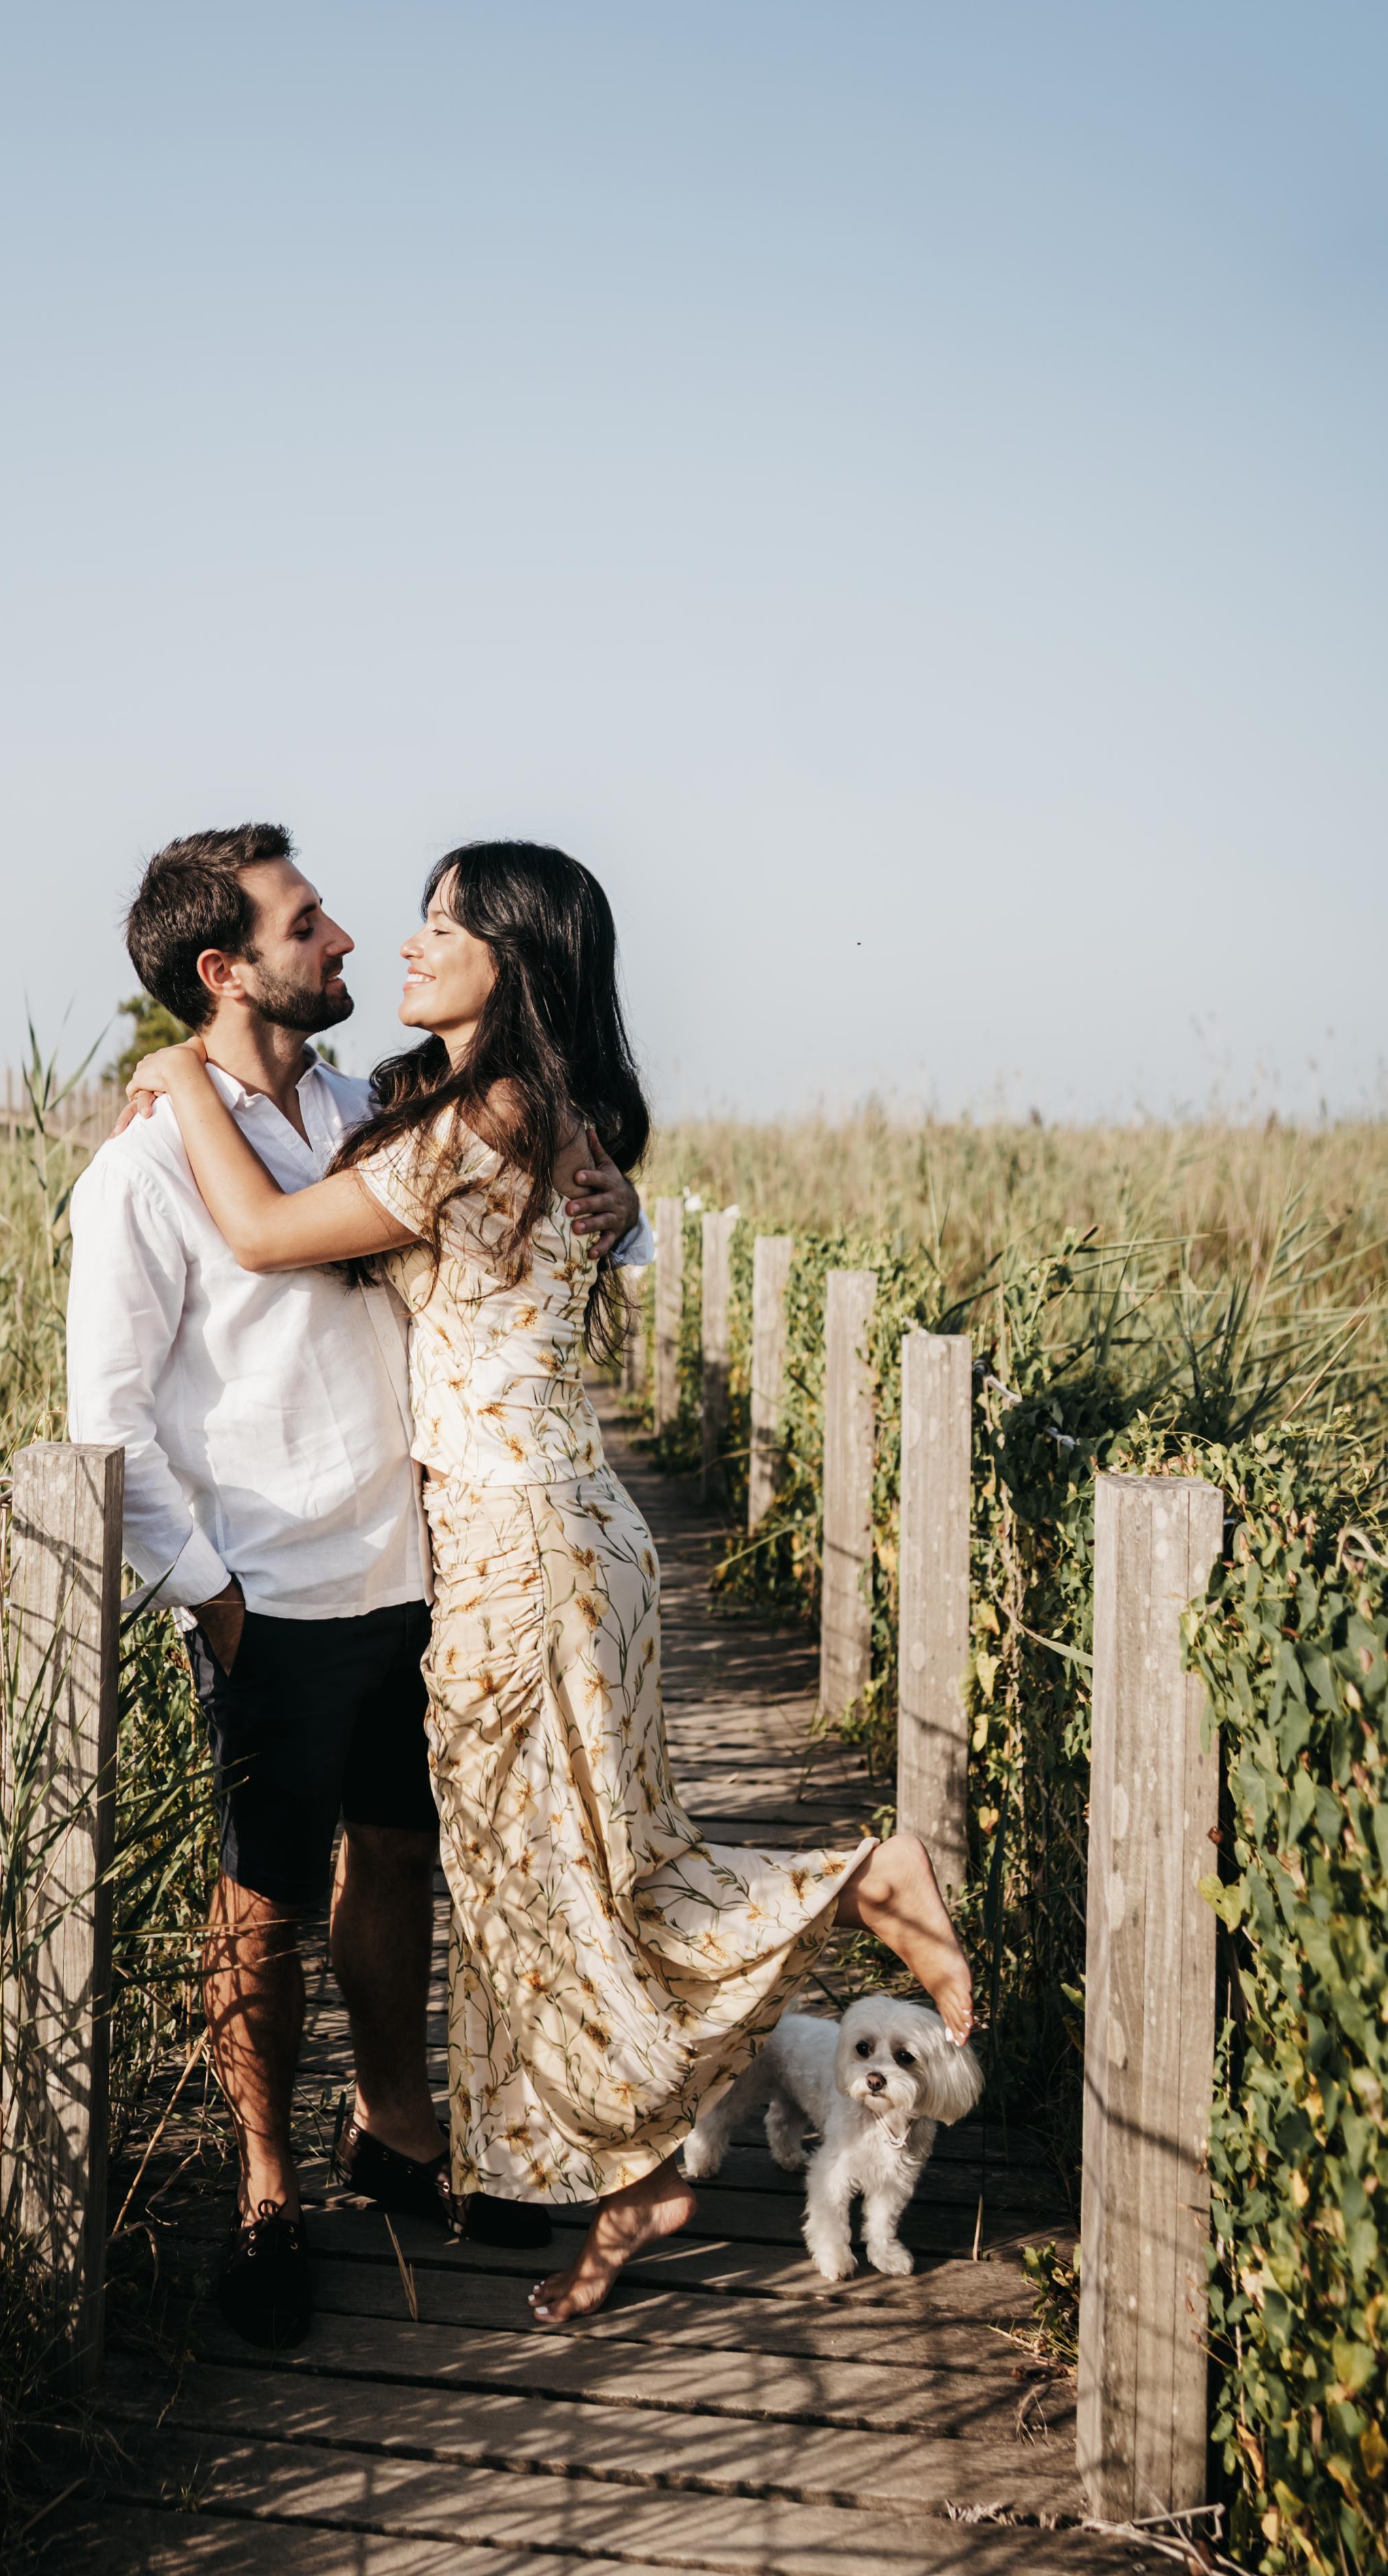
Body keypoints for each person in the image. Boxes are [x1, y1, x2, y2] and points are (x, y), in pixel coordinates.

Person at [126, 838, 974, 2329]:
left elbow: (263, 1235)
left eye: (439, 921)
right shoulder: (517, 1107)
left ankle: (839, 1896)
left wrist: (178, 1078)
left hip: (518, 1552)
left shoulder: (488, 1114)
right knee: (588, 1870)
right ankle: (557, 2168)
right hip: (584, 1534)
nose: (400, 938)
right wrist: (621, 1200)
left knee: (543, 1890)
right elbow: (543, 1227)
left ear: (508, 958)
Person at [65, 825, 645, 2347]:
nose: (342, 942)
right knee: (259, 1898)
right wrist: (207, 1592)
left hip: (418, 1566)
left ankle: (400, 2134)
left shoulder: (369, 1105)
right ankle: (268, 2188)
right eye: (306, 923)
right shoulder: (138, 1173)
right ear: (224, 968)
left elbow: (527, 1180)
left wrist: (619, 1205)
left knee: (394, 1862)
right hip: (271, 1589)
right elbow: (107, 1417)